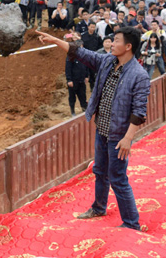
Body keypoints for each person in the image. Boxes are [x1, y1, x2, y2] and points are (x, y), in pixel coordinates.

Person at [37, 27, 149, 230]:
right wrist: (55, 40)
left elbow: (139, 112)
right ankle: (99, 207)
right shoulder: (107, 61)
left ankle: (132, 223)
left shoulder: (139, 75)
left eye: (116, 41)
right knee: (99, 171)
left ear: (128, 46)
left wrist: (128, 138)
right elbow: (80, 52)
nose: (111, 44)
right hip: (102, 129)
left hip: (119, 136)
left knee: (118, 178)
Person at [65, 47, 90, 117]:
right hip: (73, 81)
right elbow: (68, 69)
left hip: (82, 80)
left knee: (83, 95)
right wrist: (69, 80)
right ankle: (72, 110)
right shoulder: (71, 57)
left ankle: (84, 109)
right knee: (72, 97)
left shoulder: (84, 57)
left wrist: (87, 76)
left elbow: (87, 66)